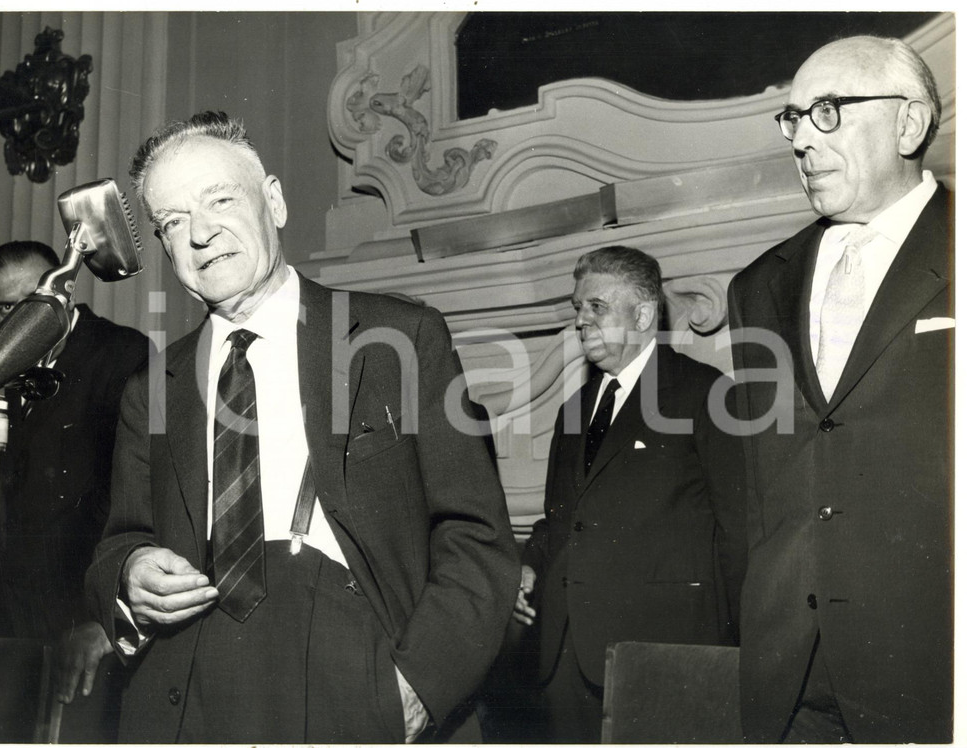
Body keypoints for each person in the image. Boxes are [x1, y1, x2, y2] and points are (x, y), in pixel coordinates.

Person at [85, 111, 519, 744]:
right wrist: (131, 572)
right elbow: (118, 543)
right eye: (173, 222)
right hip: (189, 700)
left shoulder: (398, 340)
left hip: (356, 684)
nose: (201, 234)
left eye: (220, 200)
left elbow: (476, 536)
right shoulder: (149, 388)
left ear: (275, 202)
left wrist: (417, 690)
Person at [727, 36, 952, 743]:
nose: (801, 140)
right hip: (787, 684)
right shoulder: (757, 286)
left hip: (935, 674)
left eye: (828, 111)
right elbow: (760, 486)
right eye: (793, 119)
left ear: (909, 124)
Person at [514, 245, 747, 743]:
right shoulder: (573, 409)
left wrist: (735, 652)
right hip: (565, 655)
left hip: (661, 655)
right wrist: (529, 564)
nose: (581, 320)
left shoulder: (706, 393)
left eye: (596, 307)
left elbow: (741, 531)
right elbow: (561, 518)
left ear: (642, 316)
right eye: (578, 308)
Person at [0, 241, 149, 711]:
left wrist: (108, 622)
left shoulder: (125, 355)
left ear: (66, 291)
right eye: (7, 308)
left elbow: (146, 503)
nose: (25, 320)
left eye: (36, 300)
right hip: (9, 635)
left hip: (86, 639)